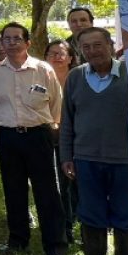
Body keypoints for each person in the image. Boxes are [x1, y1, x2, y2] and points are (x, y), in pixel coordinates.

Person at [60, 27, 128, 255]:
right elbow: (67, 120)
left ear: (110, 45)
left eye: (97, 45)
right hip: (86, 159)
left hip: (125, 160)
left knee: (125, 217)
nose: (92, 51)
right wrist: (67, 155)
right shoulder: (75, 77)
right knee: (91, 215)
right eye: (86, 47)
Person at [0, 22, 67, 255]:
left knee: (47, 192)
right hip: (8, 137)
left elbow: (57, 105)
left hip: (39, 136)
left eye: (16, 39)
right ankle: (17, 241)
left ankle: (55, 247)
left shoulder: (43, 69)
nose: (11, 43)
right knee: (14, 191)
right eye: (6, 39)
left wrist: (48, 128)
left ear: (27, 43)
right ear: (1, 43)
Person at [46, 37, 78, 243]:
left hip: (76, 138)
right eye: (51, 54)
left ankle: (80, 222)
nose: (56, 57)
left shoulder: (79, 79)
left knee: (75, 183)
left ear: (70, 58)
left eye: (61, 54)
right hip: (49, 137)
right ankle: (64, 225)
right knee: (58, 184)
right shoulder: (40, 77)